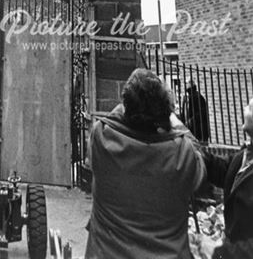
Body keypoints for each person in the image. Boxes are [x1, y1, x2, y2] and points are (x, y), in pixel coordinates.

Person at [85, 67, 205, 259]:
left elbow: (113, 119)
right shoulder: (184, 154)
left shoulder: (101, 138)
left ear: (126, 105)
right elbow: (196, 151)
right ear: (165, 109)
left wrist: (129, 103)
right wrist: (171, 118)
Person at [202, 97, 253, 253]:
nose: (244, 109)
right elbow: (224, 171)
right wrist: (191, 149)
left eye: (250, 107)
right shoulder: (245, 154)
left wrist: (221, 253)